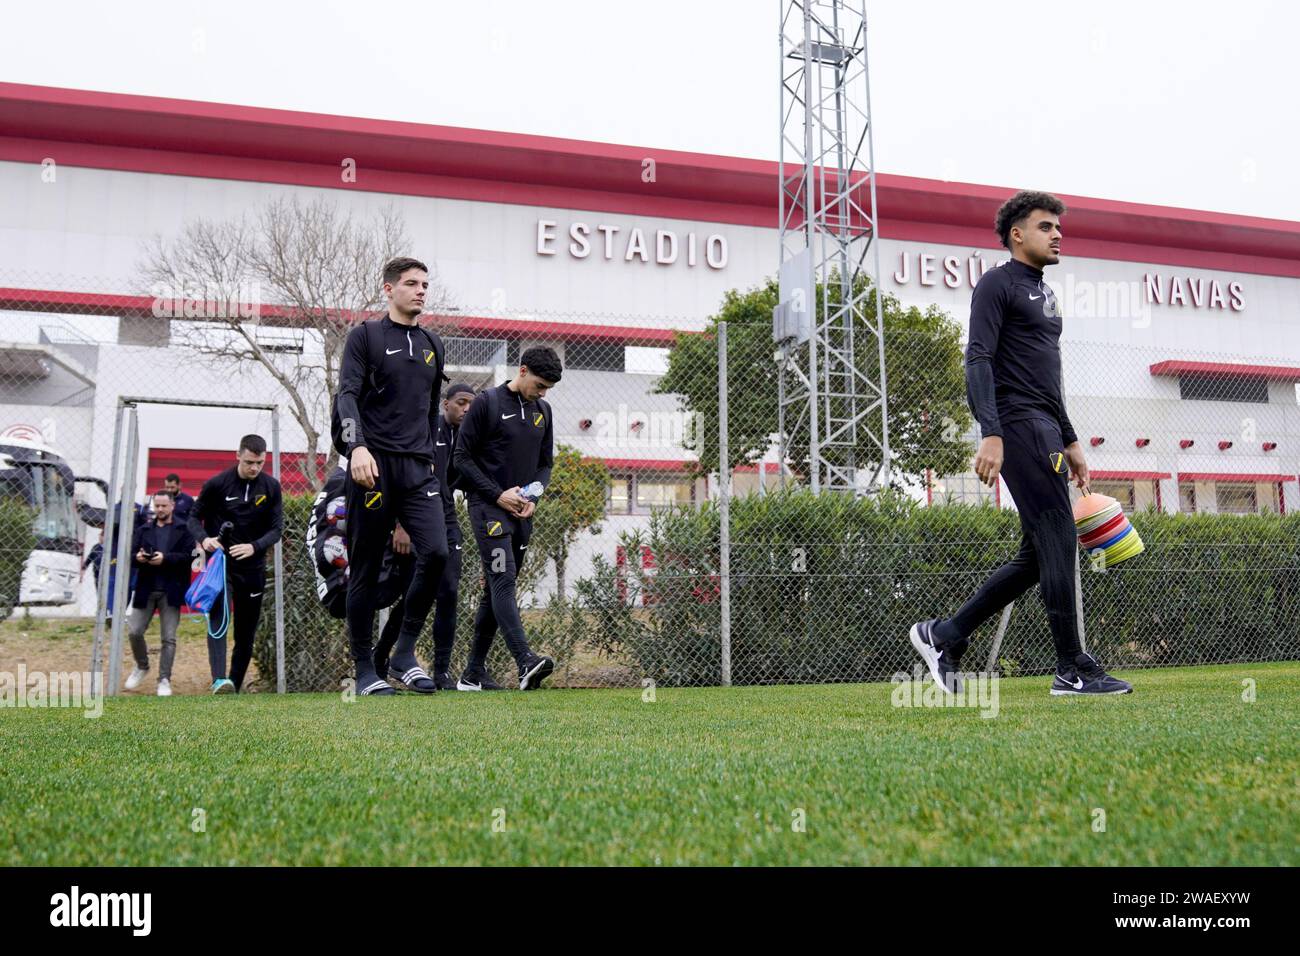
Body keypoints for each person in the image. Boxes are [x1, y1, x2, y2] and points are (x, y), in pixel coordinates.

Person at [908, 190, 1132, 697]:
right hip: (1019, 425)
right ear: (1017, 234)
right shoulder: (996, 284)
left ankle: (945, 635)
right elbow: (978, 359)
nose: (1057, 235)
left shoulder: (1043, 294)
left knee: (1038, 554)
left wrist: (1071, 439)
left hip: (1047, 428)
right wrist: (991, 431)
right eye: (1046, 226)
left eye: (1059, 228)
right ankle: (1072, 667)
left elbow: (1046, 376)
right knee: (1058, 538)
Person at [335, 256, 450, 696]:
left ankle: (402, 652)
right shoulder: (364, 336)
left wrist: (434, 466)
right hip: (372, 466)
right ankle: (365, 670)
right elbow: (347, 395)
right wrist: (356, 446)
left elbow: (428, 414)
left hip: (418, 469)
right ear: (388, 289)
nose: (421, 290)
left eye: (425, 284)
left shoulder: (432, 344)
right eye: (411, 284)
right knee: (363, 568)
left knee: (437, 555)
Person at [453, 347, 561, 690]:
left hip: (522, 513)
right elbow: (461, 459)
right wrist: (498, 495)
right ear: (523, 369)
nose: (542, 392)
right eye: (540, 384)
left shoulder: (543, 411)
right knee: (503, 580)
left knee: (496, 590)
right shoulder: (486, 403)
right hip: (488, 510)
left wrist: (533, 496)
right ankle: (525, 661)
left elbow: (545, 465)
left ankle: (473, 674)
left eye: (548, 388)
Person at [374, 383, 478, 690]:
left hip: (446, 515)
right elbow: (402, 476)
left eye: (471, 404)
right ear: (445, 404)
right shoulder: (426, 427)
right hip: (417, 517)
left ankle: (442, 672)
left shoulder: (466, 437)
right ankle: (384, 655)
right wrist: (401, 525)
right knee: (413, 595)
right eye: (461, 402)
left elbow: (461, 479)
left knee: (448, 592)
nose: (466, 409)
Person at [187, 434, 284, 694]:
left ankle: (234, 685)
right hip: (221, 566)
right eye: (250, 461)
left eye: (260, 463)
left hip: (253, 569)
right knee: (219, 621)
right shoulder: (217, 484)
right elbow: (193, 519)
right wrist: (205, 540)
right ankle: (219, 680)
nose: (254, 468)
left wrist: (254, 546)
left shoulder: (272, 487)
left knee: (246, 632)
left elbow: (277, 530)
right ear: (238, 455)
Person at [123, 491, 196, 696]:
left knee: (169, 638)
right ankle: (142, 665)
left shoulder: (184, 529)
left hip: (171, 590)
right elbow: (131, 555)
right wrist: (139, 557)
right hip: (146, 588)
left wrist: (165, 558)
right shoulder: (144, 529)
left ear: (172, 505)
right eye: (157, 506)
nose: (161, 510)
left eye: (164, 506)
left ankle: (164, 678)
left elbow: (189, 556)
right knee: (134, 631)